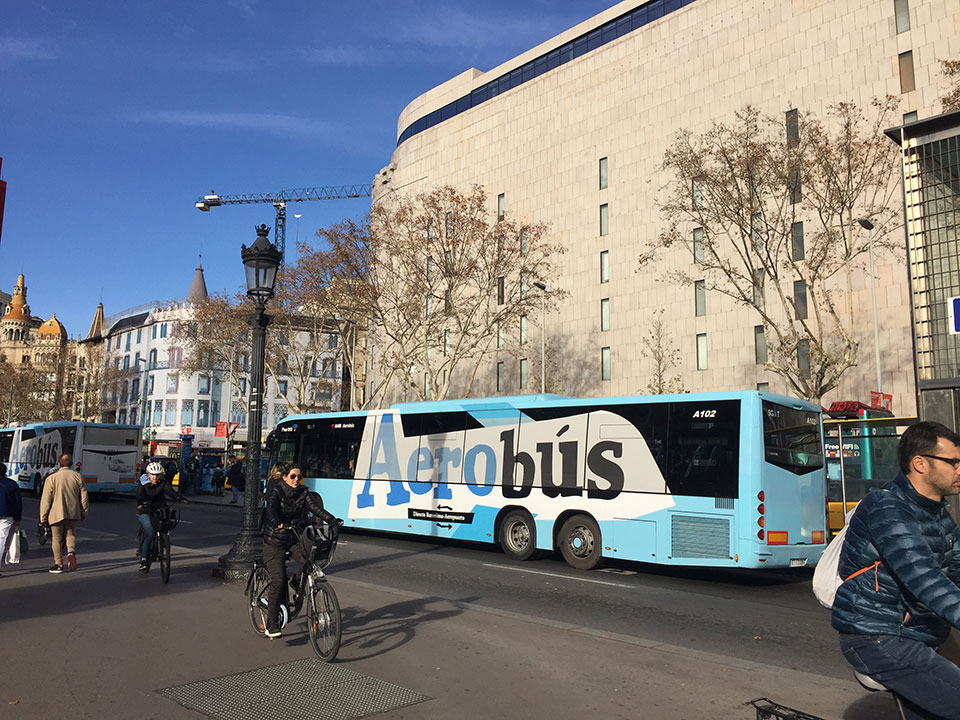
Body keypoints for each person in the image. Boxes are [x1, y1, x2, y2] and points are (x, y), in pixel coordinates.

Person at [833, 421, 960, 719]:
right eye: (953, 462)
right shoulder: (888, 508)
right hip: (877, 637)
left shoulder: (937, 513)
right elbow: (927, 579)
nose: (959, 469)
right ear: (920, 463)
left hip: (916, 634)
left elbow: (955, 572)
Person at [261, 463, 339, 638]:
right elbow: (271, 511)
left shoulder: (303, 493)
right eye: (293, 476)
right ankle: (271, 622)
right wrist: (277, 523)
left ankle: (297, 582)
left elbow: (315, 508)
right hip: (275, 541)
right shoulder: (277, 491)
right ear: (285, 477)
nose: (296, 480)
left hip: (293, 538)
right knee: (278, 580)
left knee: (309, 561)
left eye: (299, 477)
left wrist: (331, 519)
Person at [39, 453, 89, 574]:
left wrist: (43, 517)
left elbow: (46, 499)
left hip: (56, 513)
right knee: (70, 535)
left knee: (56, 538)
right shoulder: (78, 477)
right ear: (71, 464)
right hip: (73, 512)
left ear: (59, 463)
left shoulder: (51, 478)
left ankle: (59, 564)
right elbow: (84, 496)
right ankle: (71, 552)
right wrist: (84, 511)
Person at [136, 461, 186, 572]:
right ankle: (144, 559)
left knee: (166, 524)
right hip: (146, 510)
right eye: (153, 474)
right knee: (149, 532)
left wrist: (179, 498)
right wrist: (141, 504)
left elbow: (170, 492)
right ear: (148, 474)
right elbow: (140, 496)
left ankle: (164, 544)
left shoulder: (163, 483)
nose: (155, 477)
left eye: (157, 475)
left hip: (159, 509)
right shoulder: (143, 484)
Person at [0, 462, 23, 578]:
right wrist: (17, 518)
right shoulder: (12, 485)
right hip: (6, 515)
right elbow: (17, 504)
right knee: (1, 540)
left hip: (6, 515)